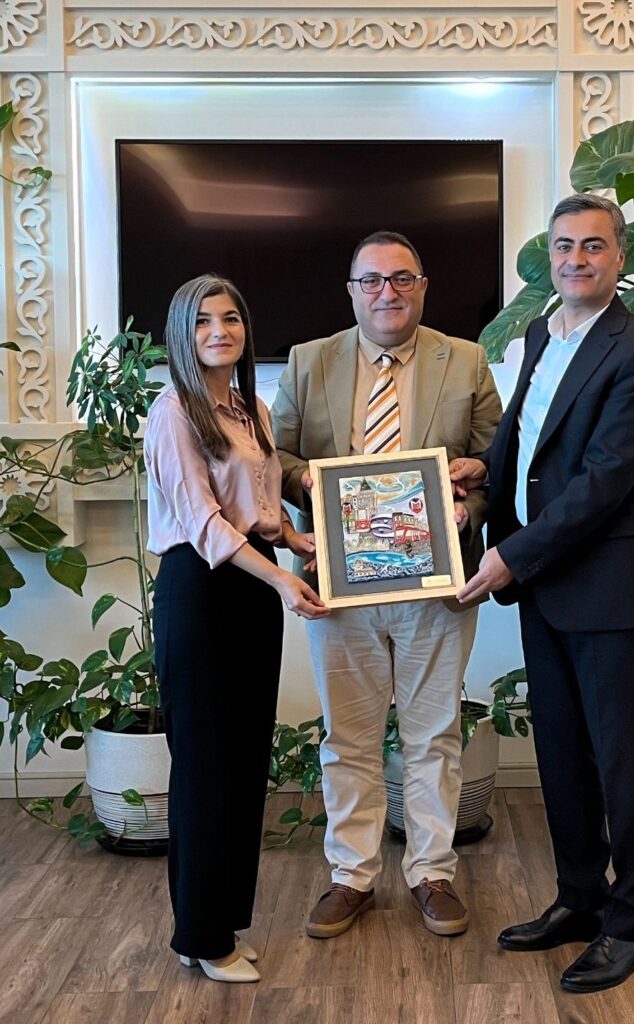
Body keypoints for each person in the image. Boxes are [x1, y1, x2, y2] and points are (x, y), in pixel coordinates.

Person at [452, 194, 634, 993]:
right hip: (548, 585)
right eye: (564, 246)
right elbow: (528, 431)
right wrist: (486, 467)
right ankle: (580, 899)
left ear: (620, 257)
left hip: (607, 587)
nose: (576, 259)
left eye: (593, 246)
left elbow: (603, 483)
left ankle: (629, 925)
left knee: (620, 761)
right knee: (561, 754)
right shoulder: (545, 332)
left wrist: (510, 556)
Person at [271, 230, 502, 939]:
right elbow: (276, 455)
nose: (387, 293)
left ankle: (432, 872)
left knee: (433, 734)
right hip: (340, 587)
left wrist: (469, 505)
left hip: (437, 584)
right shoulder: (309, 361)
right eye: (371, 280)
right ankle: (352, 877)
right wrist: (311, 483)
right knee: (349, 739)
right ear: (351, 291)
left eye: (402, 279)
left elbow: (496, 456)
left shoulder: (464, 359)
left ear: (422, 287)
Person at [144, 273, 329, 984]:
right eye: (202, 321)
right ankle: (200, 935)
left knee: (243, 760)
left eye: (229, 318)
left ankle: (219, 925)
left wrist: (297, 542)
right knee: (204, 765)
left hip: (251, 587)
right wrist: (282, 578)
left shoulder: (252, 408)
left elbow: (257, 510)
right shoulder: (174, 410)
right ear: (181, 334)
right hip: (201, 590)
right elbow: (204, 523)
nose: (218, 331)